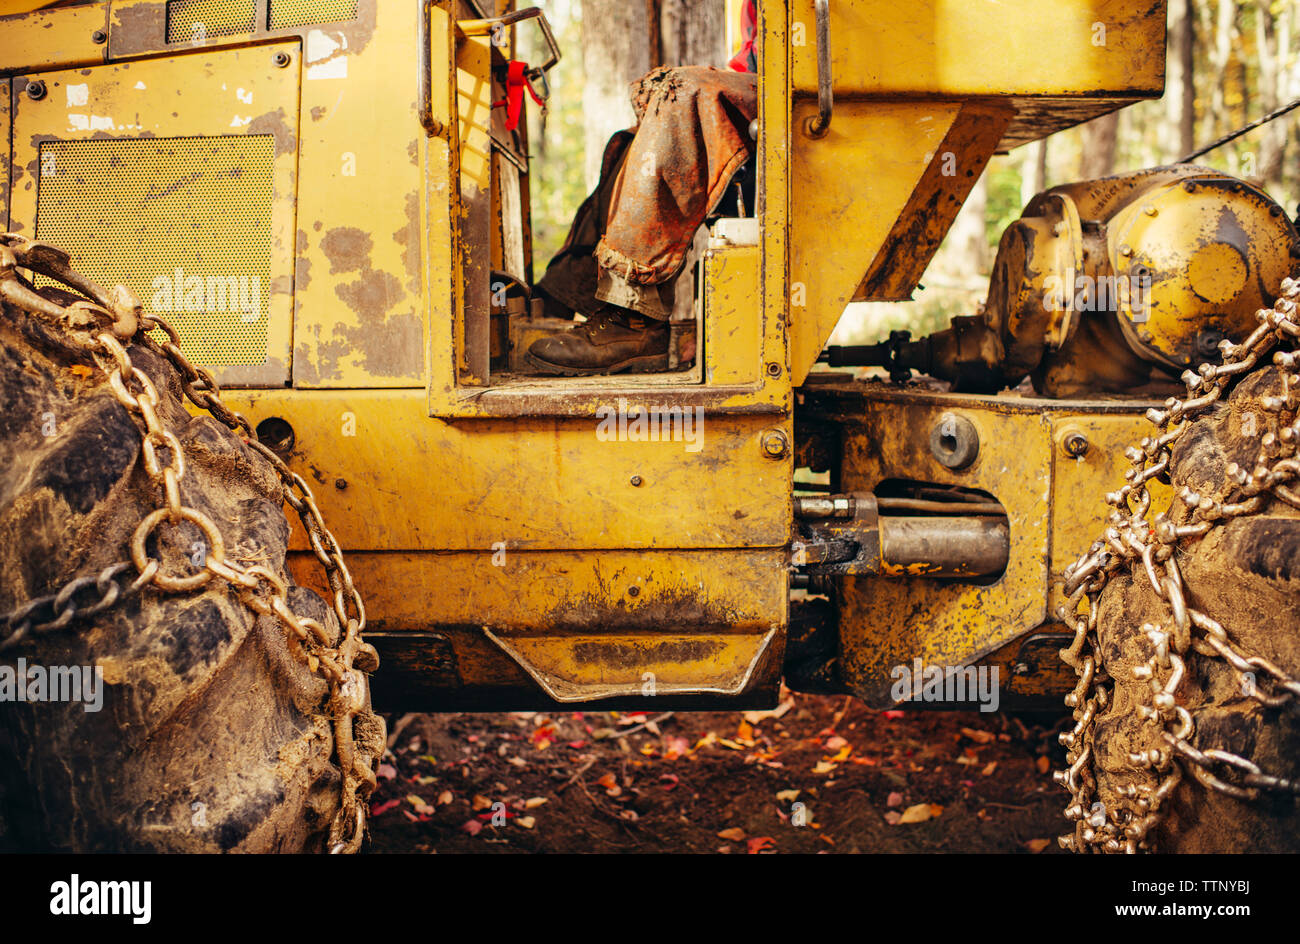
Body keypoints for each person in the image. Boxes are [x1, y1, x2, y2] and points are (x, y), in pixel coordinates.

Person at [526, 2, 758, 376]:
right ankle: (566, 295)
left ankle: (633, 315)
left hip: (794, 99)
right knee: (632, 145)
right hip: (760, 89)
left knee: (681, 92)